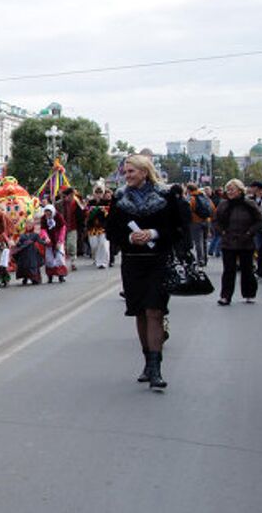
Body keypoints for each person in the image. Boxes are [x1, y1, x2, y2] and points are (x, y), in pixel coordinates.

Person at [106, 154, 180, 389]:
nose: (127, 176)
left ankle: (157, 369)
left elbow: (177, 228)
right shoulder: (119, 199)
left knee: (155, 311)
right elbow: (112, 231)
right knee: (139, 312)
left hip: (158, 261)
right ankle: (148, 363)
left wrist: (153, 233)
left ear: (144, 172)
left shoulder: (167, 196)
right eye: (125, 172)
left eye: (131, 172)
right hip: (133, 261)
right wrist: (129, 236)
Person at [213, 179, 262, 305]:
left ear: (240, 190)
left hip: (246, 241)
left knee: (247, 269)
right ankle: (225, 296)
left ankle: (249, 294)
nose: (229, 192)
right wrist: (222, 232)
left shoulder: (249, 204)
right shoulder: (223, 205)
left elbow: (260, 221)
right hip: (228, 242)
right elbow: (215, 221)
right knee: (228, 270)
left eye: (232, 189)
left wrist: (249, 233)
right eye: (228, 189)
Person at [39, 204, 68, 283]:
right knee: (49, 259)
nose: (47, 214)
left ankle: (61, 275)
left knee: (59, 257)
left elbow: (63, 228)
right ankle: (50, 275)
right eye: (46, 212)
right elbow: (43, 230)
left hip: (58, 239)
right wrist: (46, 237)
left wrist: (60, 241)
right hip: (49, 241)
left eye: (49, 212)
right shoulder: (43, 219)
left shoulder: (58, 217)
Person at [56, 187, 82, 271]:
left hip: (73, 227)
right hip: (62, 227)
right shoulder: (59, 204)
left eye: (72, 195)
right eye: (69, 195)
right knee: (63, 245)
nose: (71, 197)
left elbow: (82, 212)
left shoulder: (76, 203)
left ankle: (73, 262)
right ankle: (62, 263)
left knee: (72, 244)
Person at [186, 183, 212, 266]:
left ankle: (200, 260)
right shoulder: (205, 197)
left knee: (198, 242)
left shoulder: (192, 198)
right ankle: (205, 259)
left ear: (189, 190)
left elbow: (188, 210)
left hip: (196, 222)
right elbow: (212, 208)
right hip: (207, 221)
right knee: (205, 241)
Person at [86, 183, 111, 269]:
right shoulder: (90, 202)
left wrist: (103, 209)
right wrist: (90, 210)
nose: (98, 194)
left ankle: (103, 262)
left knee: (103, 244)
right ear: (94, 193)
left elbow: (109, 213)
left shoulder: (106, 203)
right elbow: (85, 213)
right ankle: (97, 259)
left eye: (100, 192)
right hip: (92, 227)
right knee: (94, 245)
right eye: (97, 192)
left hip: (103, 227)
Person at [13, 218, 45, 285]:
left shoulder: (35, 235)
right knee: (24, 265)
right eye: (27, 224)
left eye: (30, 224)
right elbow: (19, 243)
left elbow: (40, 242)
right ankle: (25, 277)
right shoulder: (22, 235)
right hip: (24, 254)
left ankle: (34, 278)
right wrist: (17, 243)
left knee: (32, 265)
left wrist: (46, 241)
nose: (28, 225)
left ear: (33, 225)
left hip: (32, 253)